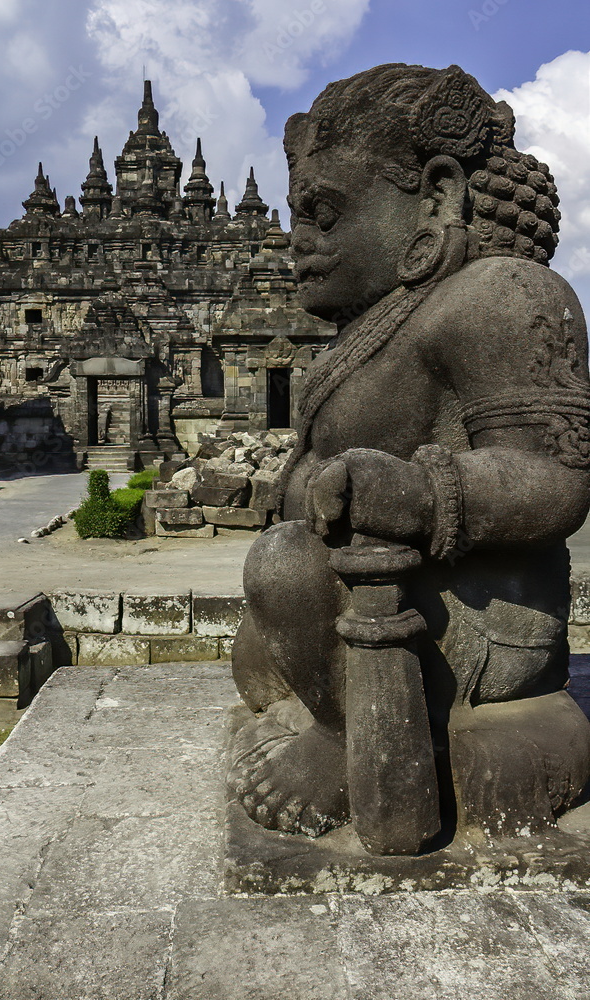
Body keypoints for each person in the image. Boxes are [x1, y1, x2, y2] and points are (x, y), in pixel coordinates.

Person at [228, 63, 590, 845]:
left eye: (324, 212)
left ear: (437, 196)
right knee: (257, 647)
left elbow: (556, 477)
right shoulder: (384, 317)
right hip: (374, 592)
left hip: (479, 619)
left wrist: (421, 493)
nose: (300, 241)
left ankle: (341, 741)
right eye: (298, 215)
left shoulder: (505, 293)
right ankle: (332, 711)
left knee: (284, 568)